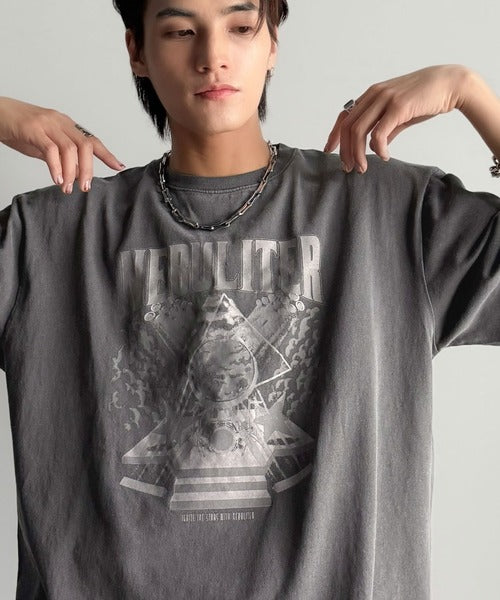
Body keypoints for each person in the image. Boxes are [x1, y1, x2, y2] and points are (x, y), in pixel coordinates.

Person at [0, 0, 498, 598]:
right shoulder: (48, 237)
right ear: (137, 51)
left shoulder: (388, 212)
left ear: (273, 44)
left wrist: (470, 92)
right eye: (181, 31)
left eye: (240, 27)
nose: (212, 56)